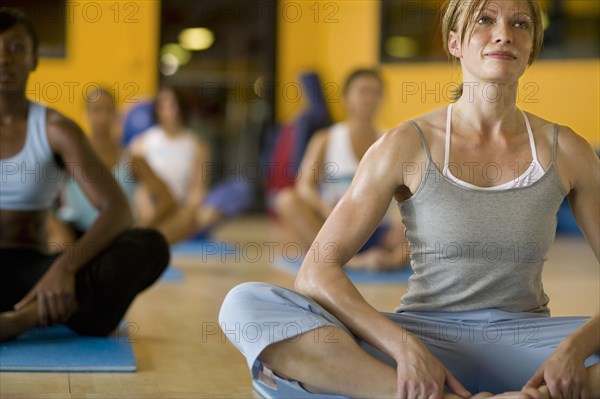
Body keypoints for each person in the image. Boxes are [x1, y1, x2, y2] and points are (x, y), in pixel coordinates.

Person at [219, 0, 600, 397]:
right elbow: (316, 271)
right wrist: (405, 348)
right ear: (455, 42)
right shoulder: (404, 144)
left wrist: (575, 349)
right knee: (245, 304)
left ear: (532, 47)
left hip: (532, 347)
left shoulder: (568, 150)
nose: (504, 33)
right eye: (485, 20)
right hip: (425, 339)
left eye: (520, 23)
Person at [0, 8, 169, 341]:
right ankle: (58, 310)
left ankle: (26, 318)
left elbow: (119, 211)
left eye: (16, 47)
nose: (4, 59)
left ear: (34, 59)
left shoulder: (55, 130)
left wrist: (65, 267)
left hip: (36, 272)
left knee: (150, 244)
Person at [275, 69, 409, 271]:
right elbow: (304, 186)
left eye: (375, 93)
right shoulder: (326, 138)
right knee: (287, 200)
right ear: (347, 98)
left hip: (377, 228)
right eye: (363, 91)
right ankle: (352, 263)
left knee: (422, 218)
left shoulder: (390, 140)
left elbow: (406, 191)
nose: (369, 98)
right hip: (332, 226)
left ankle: (390, 262)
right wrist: (325, 209)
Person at [47, 87, 176, 247]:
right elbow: (40, 195)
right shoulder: (70, 156)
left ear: (116, 115)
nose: (102, 117)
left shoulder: (131, 159)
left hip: (117, 237)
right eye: (96, 110)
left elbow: (167, 199)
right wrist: (55, 224)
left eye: (108, 110)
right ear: (86, 114)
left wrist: (143, 228)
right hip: (75, 236)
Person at [130, 87, 252, 244]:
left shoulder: (197, 145)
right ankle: (166, 232)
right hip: (155, 206)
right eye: (163, 105)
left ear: (181, 108)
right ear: (156, 110)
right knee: (144, 196)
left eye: (172, 105)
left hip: (182, 207)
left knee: (239, 189)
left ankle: (168, 232)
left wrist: (189, 211)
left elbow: (198, 190)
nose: (169, 111)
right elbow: (141, 189)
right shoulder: (142, 143)